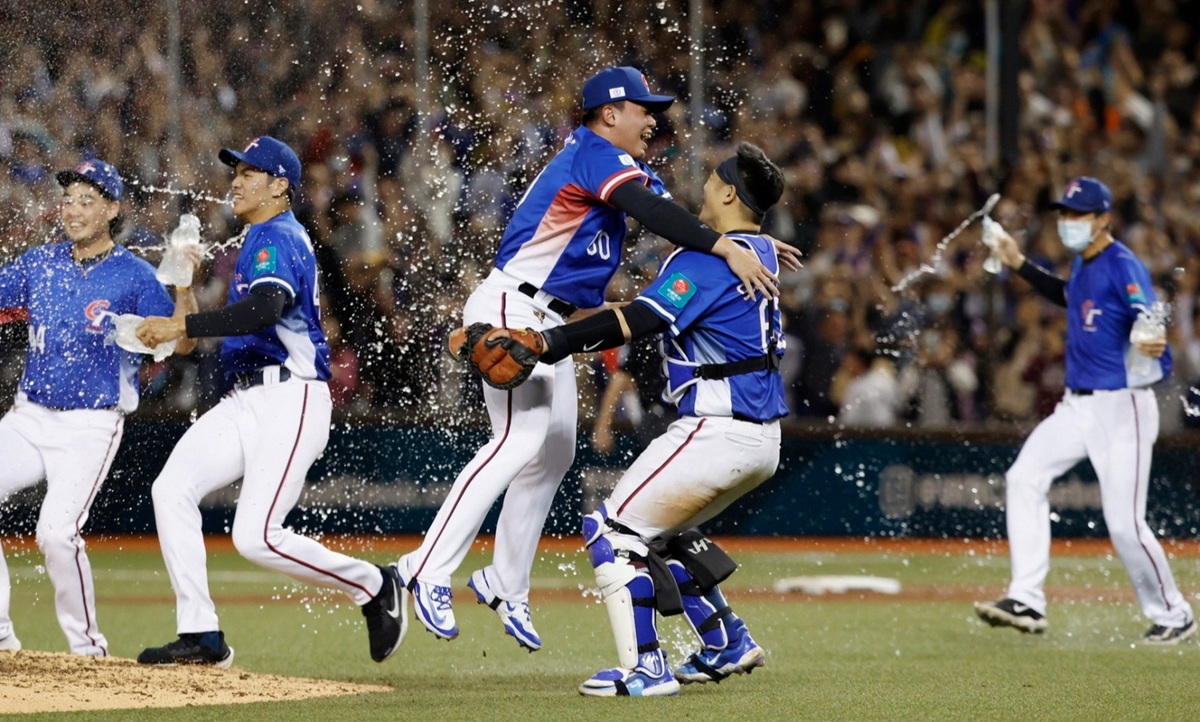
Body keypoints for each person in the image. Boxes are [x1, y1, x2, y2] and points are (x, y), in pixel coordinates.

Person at [392, 66, 798, 652]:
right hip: (514, 304)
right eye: (642, 108)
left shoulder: (627, 165)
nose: (652, 118)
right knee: (516, 442)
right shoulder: (593, 153)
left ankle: (506, 581)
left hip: (552, 316)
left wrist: (746, 240)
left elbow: (683, 219)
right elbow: (663, 219)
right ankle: (425, 566)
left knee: (554, 453)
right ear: (610, 113)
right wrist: (725, 246)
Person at [481, 141, 787, 696]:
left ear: (727, 192)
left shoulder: (706, 259)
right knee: (661, 531)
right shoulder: (760, 251)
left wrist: (548, 341)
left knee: (610, 530)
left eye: (713, 179)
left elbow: (637, 320)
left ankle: (645, 669)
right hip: (763, 439)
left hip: (718, 427)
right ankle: (726, 640)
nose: (703, 186)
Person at [133, 136, 402, 667]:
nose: (235, 181)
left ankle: (374, 585)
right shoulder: (255, 239)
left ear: (280, 186)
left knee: (256, 537)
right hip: (246, 399)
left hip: (292, 398)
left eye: (249, 173)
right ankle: (201, 634)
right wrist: (184, 286)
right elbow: (189, 341)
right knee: (172, 489)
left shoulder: (278, 235)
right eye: (234, 171)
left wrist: (182, 320)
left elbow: (264, 308)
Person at [974, 177, 1195, 644]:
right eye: (1065, 213)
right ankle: (1027, 599)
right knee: (1023, 478)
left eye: (1079, 214)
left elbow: (1150, 319)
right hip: (1077, 406)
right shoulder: (1085, 262)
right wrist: (1018, 264)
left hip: (1123, 407)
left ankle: (1174, 612)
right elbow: (1070, 296)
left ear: (1103, 219)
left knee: (1124, 523)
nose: (1069, 222)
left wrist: (1153, 340)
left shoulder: (1121, 262)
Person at [0, 159, 197, 656]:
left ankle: (88, 652)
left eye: (87, 200)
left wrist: (183, 286)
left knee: (55, 534)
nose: (73, 209)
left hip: (91, 423)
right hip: (29, 416)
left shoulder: (132, 276)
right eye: (68, 199)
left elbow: (184, 344)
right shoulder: (38, 263)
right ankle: (1, 638)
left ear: (112, 209)